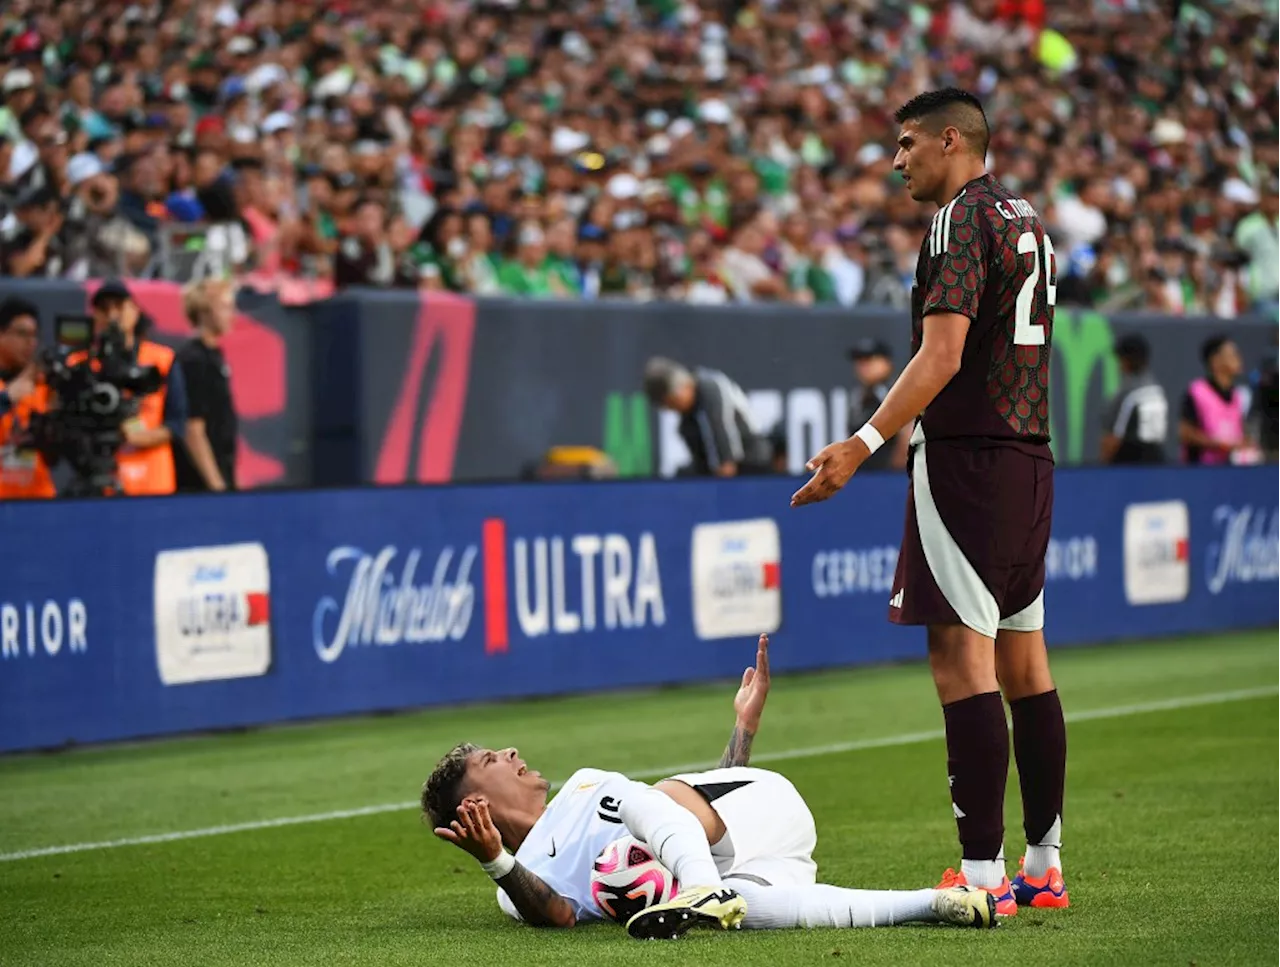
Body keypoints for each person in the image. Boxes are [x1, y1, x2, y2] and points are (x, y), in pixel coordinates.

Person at [790, 89, 1067, 916]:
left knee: (961, 660)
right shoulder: (1027, 218)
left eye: (908, 143)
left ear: (953, 140)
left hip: (967, 461)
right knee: (1026, 662)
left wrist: (861, 445)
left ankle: (982, 876)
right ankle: (1043, 865)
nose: (897, 159)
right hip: (1029, 458)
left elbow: (940, 354)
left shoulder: (956, 220)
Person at [424, 635, 996, 940]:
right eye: (494, 759)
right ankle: (935, 903)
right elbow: (562, 917)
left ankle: (698, 888)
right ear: (475, 803)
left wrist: (742, 733)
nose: (514, 754)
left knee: (643, 799)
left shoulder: (580, 787)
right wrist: (496, 860)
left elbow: (693, 803)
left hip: (758, 805)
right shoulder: (513, 889)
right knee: (759, 912)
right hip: (756, 863)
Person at [85, 279, 187, 495]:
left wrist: (133, 436)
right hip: (98, 482)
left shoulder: (161, 359)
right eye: (104, 309)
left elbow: (177, 424)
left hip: (151, 484)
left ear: (135, 310)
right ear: (94, 317)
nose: (112, 315)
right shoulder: (82, 365)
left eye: (119, 306)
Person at [642, 357, 771, 477]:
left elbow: (726, 466)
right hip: (717, 471)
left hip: (751, 463)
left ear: (680, 390)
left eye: (670, 403)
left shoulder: (711, 390)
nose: (671, 410)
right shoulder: (687, 422)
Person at [174, 278, 238, 492]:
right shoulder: (193, 359)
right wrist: (216, 485)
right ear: (204, 313)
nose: (232, 314)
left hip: (222, 471)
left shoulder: (214, 355)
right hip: (199, 485)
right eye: (224, 307)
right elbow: (193, 428)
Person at [0, 297, 55, 499]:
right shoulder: (11, 391)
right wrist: (7, 399)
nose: (30, 343)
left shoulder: (43, 386)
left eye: (34, 336)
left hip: (36, 499)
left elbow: (54, 457)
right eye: (22, 334)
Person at [1179, 335, 1260, 466]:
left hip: (1232, 469)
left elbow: (1241, 432)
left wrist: (1246, 444)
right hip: (1201, 470)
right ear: (1215, 361)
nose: (1238, 359)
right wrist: (1220, 445)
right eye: (1232, 354)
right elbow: (1185, 433)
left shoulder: (1240, 395)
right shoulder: (1197, 392)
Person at [1099, 334, 1168, 465]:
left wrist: (1102, 469)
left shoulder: (1128, 394)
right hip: (1157, 462)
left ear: (1126, 360)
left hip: (1129, 464)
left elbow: (1113, 439)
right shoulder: (1157, 390)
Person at [846, 338, 909, 472]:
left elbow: (907, 434)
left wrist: (895, 474)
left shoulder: (895, 392)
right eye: (859, 360)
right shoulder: (858, 398)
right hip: (866, 477)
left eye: (870, 359)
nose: (864, 366)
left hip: (891, 478)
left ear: (887, 362)